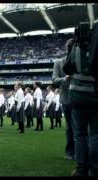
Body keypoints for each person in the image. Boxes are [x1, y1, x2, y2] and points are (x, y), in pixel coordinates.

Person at [63, 23, 98, 176]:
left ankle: (81, 169)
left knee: (79, 135)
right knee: (95, 135)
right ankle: (95, 169)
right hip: (95, 97)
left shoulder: (76, 48)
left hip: (77, 97)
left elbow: (67, 68)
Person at [52, 38, 75, 160]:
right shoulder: (58, 62)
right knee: (70, 127)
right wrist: (65, 78)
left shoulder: (80, 61)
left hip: (80, 98)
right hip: (66, 99)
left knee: (82, 128)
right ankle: (70, 152)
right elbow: (54, 79)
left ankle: (80, 152)